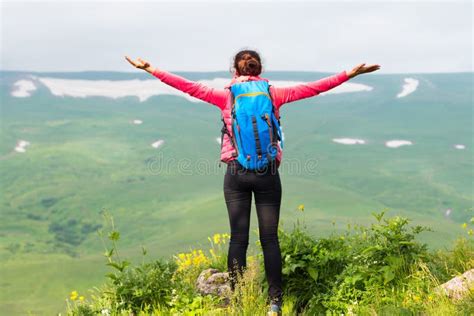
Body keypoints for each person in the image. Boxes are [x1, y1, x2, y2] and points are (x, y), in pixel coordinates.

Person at [125, 50, 380, 315]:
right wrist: (349, 73)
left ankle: (237, 300)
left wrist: (149, 68)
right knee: (270, 239)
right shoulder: (273, 94)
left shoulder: (225, 95)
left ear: (235, 70)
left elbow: (188, 87)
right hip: (267, 173)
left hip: (236, 172)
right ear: (258, 70)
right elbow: (313, 88)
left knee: (238, 238)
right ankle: (275, 303)